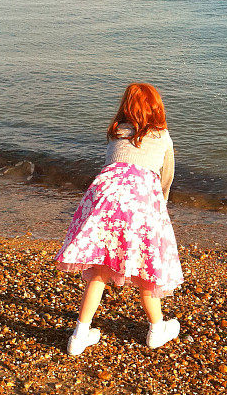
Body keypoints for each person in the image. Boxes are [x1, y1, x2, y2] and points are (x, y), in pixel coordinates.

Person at [54, 83, 183, 355]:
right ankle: (156, 329)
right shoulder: (163, 135)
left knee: (99, 270)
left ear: (125, 107)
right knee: (147, 268)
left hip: (104, 195)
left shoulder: (116, 133)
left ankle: (79, 335)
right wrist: (160, 210)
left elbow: (112, 166)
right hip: (140, 200)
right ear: (157, 108)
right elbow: (166, 178)